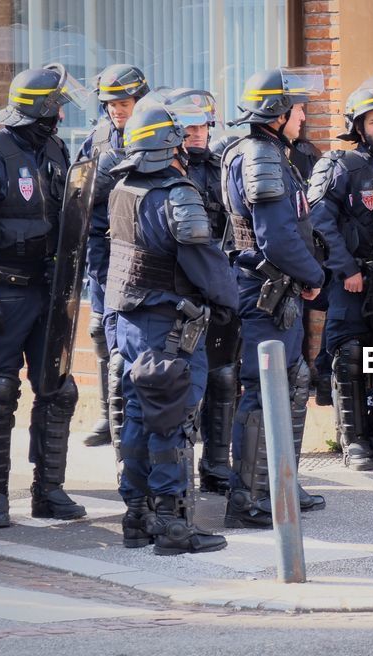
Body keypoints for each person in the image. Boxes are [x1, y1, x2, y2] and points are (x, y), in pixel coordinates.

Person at [0, 64, 89, 528]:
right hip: (4, 291)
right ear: (43, 109)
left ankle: (48, 490)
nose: (62, 113)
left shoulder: (54, 147)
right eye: (57, 106)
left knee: (59, 388)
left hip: (47, 293)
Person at [107, 95, 235, 555]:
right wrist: (229, 302)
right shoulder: (178, 195)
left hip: (130, 323)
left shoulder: (121, 190)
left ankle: (137, 517)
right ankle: (173, 524)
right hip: (170, 326)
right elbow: (206, 264)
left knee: (139, 419)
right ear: (171, 147)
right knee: (173, 422)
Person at [221, 68, 326, 527]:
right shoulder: (260, 156)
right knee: (263, 391)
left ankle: (281, 481)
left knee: (292, 380)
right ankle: (247, 499)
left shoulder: (270, 152)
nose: (303, 116)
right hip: (266, 291)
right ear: (277, 114)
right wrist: (313, 275)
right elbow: (276, 237)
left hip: (279, 290)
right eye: (298, 109)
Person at [310, 76, 373, 470]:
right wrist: (346, 268)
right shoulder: (337, 164)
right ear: (358, 126)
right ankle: (353, 442)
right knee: (349, 354)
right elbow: (319, 219)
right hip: (351, 279)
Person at [160, 88, 236, 495]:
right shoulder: (169, 170)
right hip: (179, 291)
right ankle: (179, 474)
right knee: (184, 385)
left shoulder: (220, 166)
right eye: (189, 126)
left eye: (203, 125)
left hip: (219, 283)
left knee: (224, 376)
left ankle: (216, 465)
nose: (198, 133)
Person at [81, 64, 151, 448]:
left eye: (123, 103)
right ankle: (111, 415)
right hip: (103, 250)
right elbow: (79, 191)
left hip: (144, 251)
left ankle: (143, 417)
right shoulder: (99, 137)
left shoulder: (159, 129)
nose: (116, 111)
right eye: (110, 104)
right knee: (101, 332)